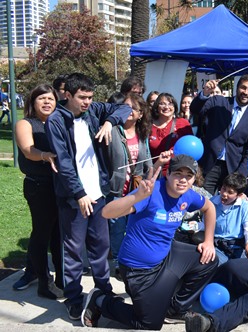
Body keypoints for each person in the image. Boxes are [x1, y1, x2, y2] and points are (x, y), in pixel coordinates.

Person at [83, 155, 218, 329]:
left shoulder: (189, 195)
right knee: (149, 323)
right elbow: (107, 213)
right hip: (138, 271)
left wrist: (208, 241)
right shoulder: (150, 192)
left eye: (188, 176)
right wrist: (136, 196)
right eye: (178, 173)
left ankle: (175, 309)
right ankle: (100, 301)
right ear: (167, 174)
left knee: (208, 260)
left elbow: (210, 208)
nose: (183, 180)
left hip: (165, 258)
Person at [45, 73, 132, 319]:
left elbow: (125, 108)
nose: (86, 102)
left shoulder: (94, 111)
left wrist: (109, 122)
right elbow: (63, 163)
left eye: (90, 97)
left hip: (98, 194)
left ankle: (102, 290)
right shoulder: (56, 121)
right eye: (82, 97)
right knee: (73, 250)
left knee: (101, 246)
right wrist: (79, 193)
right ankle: (73, 298)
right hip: (74, 198)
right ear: (67, 95)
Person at [102, 93, 169, 278]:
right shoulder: (113, 130)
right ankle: (117, 261)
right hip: (115, 188)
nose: (129, 111)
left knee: (131, 225)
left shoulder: (141, 134)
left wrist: (158, 165)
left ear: (141, 114)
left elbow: (147, 162)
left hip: (135, 188)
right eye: (125, 107)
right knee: (117, 226)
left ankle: (128, 258)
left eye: (134, 108)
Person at [13, 84, 63, 299]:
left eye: (50, 98)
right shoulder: (26, 123)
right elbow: (27, 150)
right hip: (39, 186)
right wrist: (46, 155)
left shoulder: (59, 121)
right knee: (41, 233)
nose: (47, 102)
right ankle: (43, 280)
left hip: (60, 185)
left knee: (59, 235)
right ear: (32, 102)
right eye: (41, 98)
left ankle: (61, 279)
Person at [192, 76, 248, 193]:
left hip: (232, 171)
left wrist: (240, 176)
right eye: (243, 88)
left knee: (225, 208)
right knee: (201, 204)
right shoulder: (219, 102)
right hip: (209, 165)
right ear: (237, 88)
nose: (245, 92)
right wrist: (204, 93)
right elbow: (195, 110)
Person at [212, 173, 248, 264]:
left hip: (236, 246)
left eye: (230, 192)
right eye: (223, 188)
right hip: (217, 246)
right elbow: (205, 224)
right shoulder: (212, 202)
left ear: (239, 195)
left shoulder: (245, 204)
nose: (224, 194)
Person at [149, 93, 193, 175]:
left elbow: (190, 149)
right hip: (154, 173)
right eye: (162, 104)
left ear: (175, 106)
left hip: (177, 174)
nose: (166, 107)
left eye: (170, 103)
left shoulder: (183, 123)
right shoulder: (148, 126)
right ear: (156, 107)